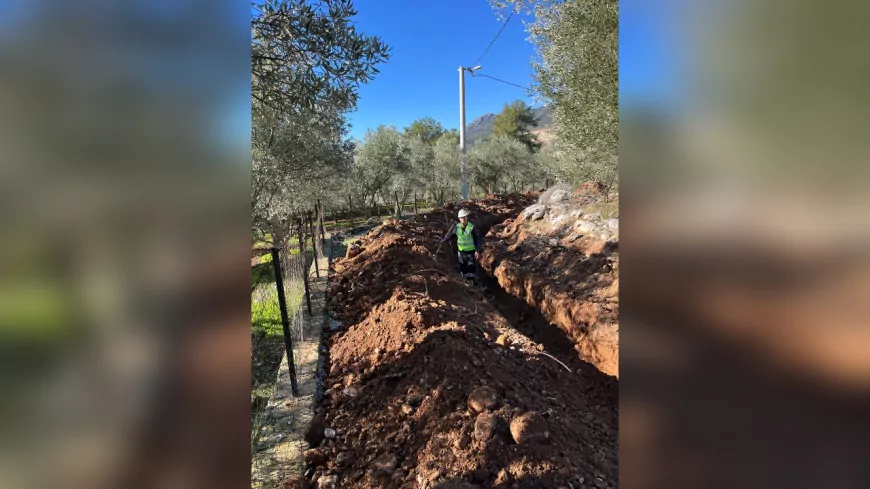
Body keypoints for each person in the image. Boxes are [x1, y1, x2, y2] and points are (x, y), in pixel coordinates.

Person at [441, 208, 481, 278]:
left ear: (467, 217)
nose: (463, 219)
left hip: (470, 251)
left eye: (464, 217)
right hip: (461, 251)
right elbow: (452, 235)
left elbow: (476, 239)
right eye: (461, 218)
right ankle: (465, 281)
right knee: (462, 266)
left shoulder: (471, 227)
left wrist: (477, 251)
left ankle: (472, 282)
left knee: (471, 267)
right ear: (459, 219)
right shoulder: (457, 227)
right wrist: (445, 240)